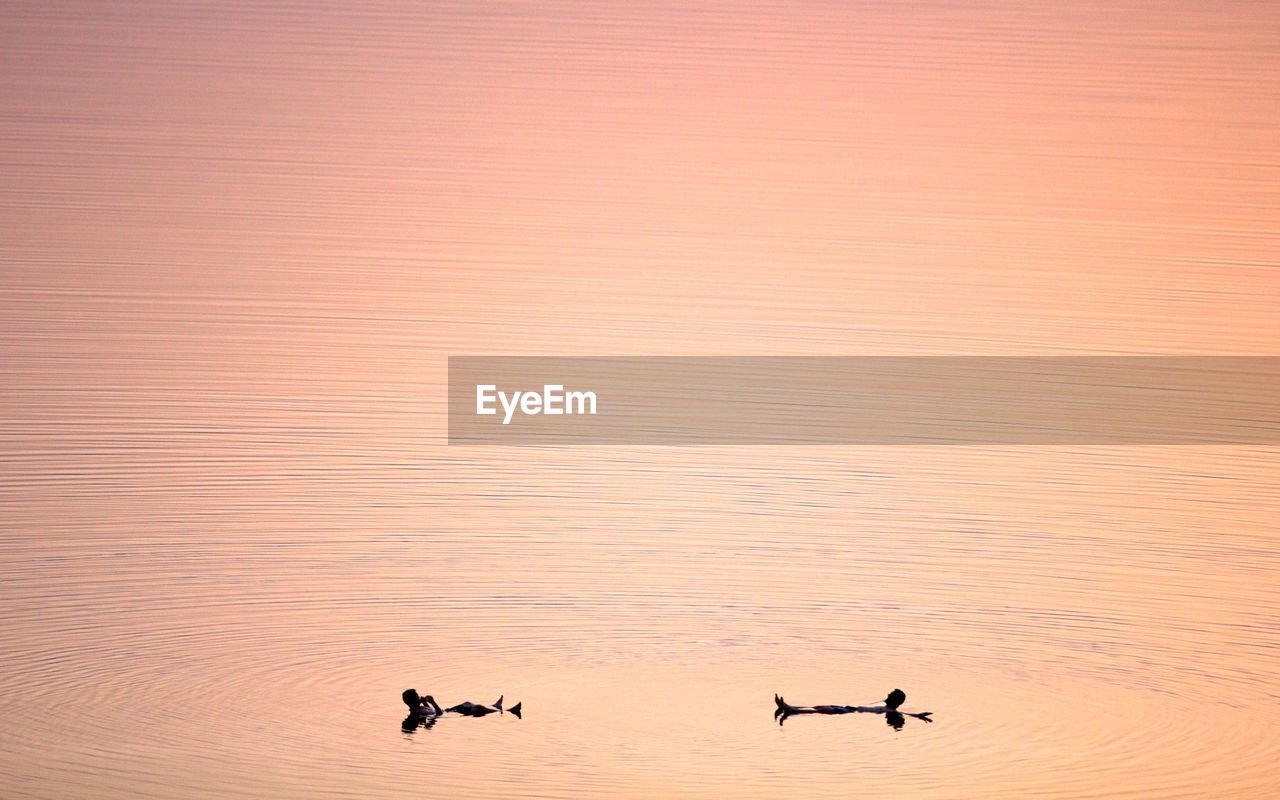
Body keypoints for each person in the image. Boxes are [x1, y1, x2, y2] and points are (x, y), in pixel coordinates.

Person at [773, 689, 933, 727]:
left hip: (846, 711)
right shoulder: (886, 707)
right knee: (816, 706)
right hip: (846, 708)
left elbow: (905, 713)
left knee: (817, 710)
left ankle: (789, 709)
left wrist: (918, 715)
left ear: (895, 701)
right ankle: (790, 707)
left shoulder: (892, 711)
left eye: (890, 695)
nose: (887, 695)